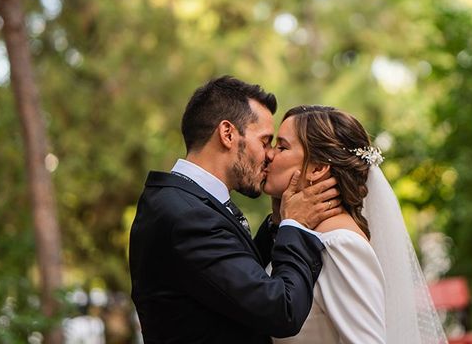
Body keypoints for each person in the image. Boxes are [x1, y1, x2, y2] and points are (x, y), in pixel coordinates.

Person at [129, 77, 342, 344]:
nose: (269, 155)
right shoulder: (186, 216)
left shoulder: (185, 202)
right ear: (228, 134)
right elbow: (282, 310)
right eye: (265, 141)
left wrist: (277, 224)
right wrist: (294, 225)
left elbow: (233, 279)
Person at [263, 105, 448, 344]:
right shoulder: (301, 234)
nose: (269, 154)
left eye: (282, 147)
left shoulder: (339, 243)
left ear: (317, 169)